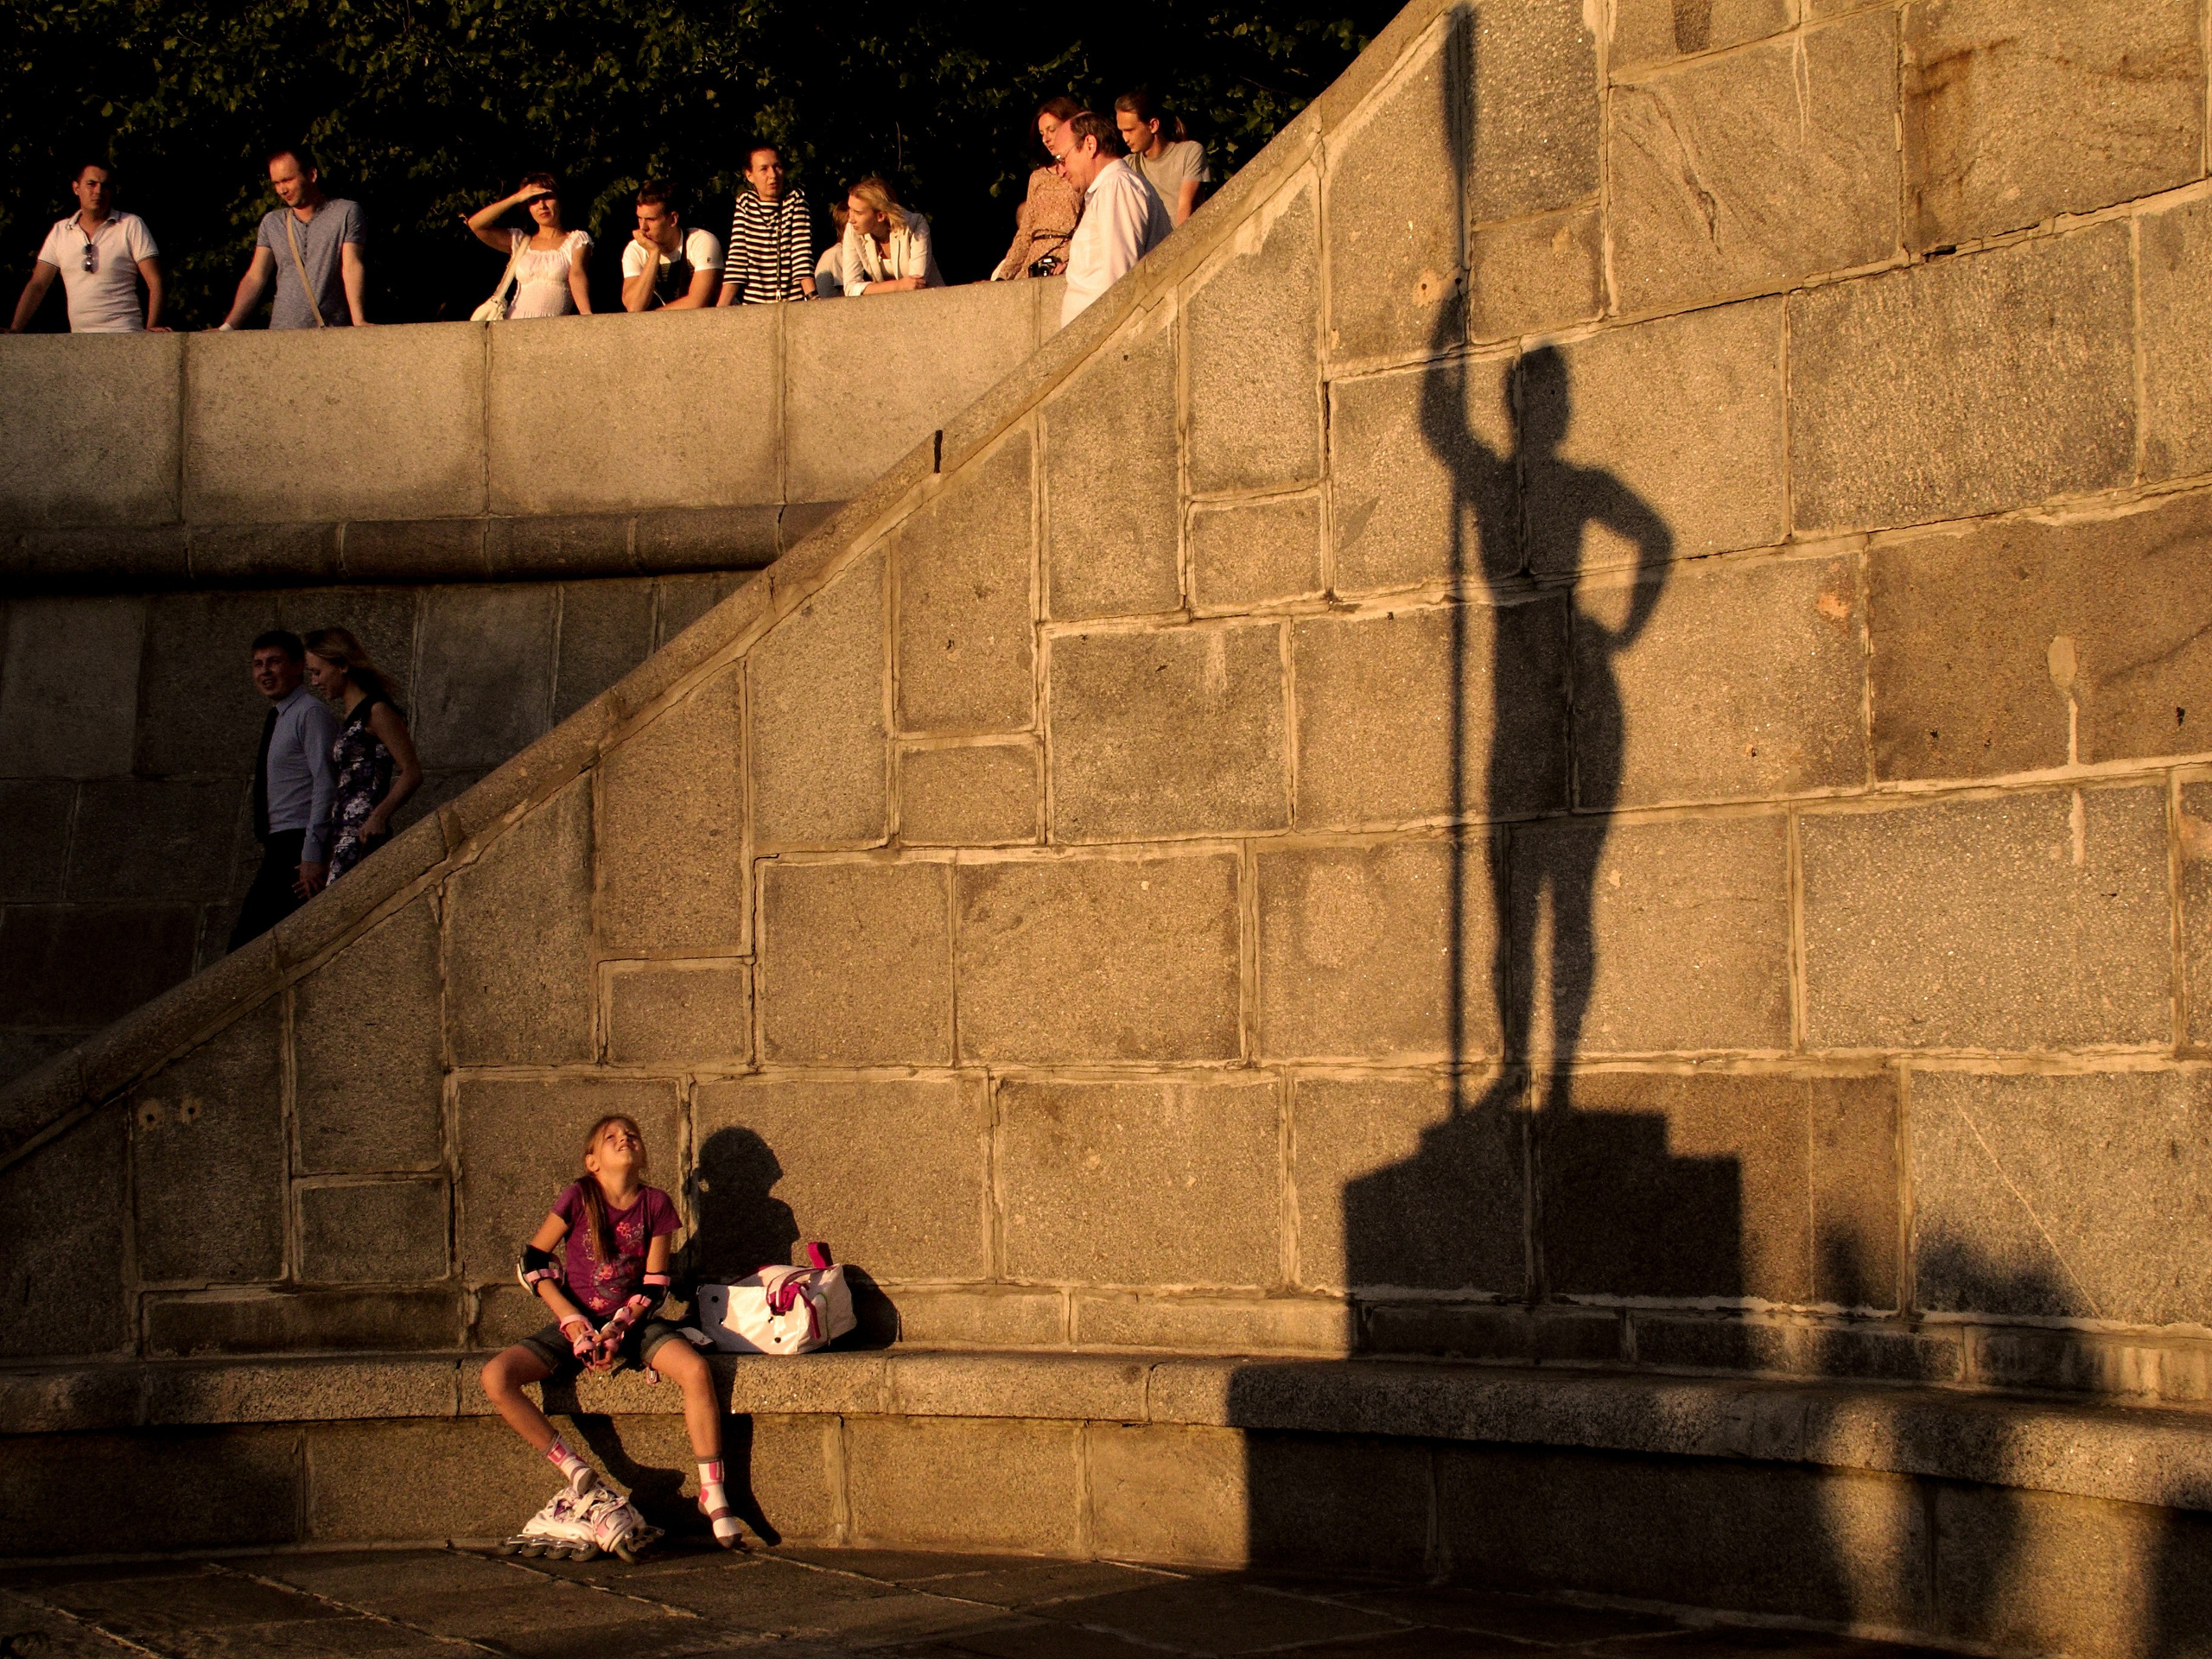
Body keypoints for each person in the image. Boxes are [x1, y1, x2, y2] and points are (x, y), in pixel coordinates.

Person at [480, 1116, 743, 1549]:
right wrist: (572, 1321)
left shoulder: (655, 1204)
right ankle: (573, 1468)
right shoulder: (579, 1198)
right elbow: (532, 1261)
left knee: (695, 1370)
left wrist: (620, 1326)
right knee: (496, 1377)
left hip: (633, 1324)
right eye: (611, 1137)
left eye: (632, 1135)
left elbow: (654, 1283)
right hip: (577, 1322)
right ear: (592, 1162)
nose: (624, 1139)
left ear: (642, 1155)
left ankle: (712, 1491)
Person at [228, 631, 339, 950]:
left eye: (274, 662)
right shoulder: (279, 718)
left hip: (297, 846)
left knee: (246, 947)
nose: (265, 672)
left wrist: (312, 853)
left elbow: (325, 783)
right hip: (279, 844)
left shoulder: (309, 713)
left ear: (298, 666)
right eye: (258, 664)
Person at [302, 628, 422, 881]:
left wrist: (379, 815)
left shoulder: (376, 711)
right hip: (343, 832)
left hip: (363, 832)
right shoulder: (350, 716)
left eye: (317, 672)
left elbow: (411, 771)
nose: (314, 681)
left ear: (343, 665)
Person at [218, 146, 369, 329]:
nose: (282, 190)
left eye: (288, 180)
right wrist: (228, 326)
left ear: (312, 175)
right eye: (276, 183)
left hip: (331, 332)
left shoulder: (346, 212)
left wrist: (358, 321)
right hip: (282, 332)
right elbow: (256, 276)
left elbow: (351, 265)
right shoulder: (272, 222)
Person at [9, 162, 166, 334]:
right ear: (76, 188)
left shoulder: (130, 225)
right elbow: (38, 285)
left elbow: (155, 281)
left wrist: (152, 330)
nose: (98, 191)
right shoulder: (61, 231)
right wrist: (15, 329)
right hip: (80, 341)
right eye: (91, 184)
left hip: (125, 333)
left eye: (105, 186)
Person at [1058, 111, 1173, 327]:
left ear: (1090, 144)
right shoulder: (1109, 189)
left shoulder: (1116, 187)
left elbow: (1121, 279)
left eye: (1063, 158)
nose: (1061, 170)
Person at [466, 173, 592, 318]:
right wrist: (516, 198)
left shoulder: (576, 239)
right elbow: (476, 225)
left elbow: (577, 274)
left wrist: (586, 315)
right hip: (514, 324)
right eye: (534, 200)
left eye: (547, 197)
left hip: (551, 328)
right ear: (528, 207)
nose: (542, 206)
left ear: (560, 201)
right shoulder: (520, 241)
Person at [989, 98, 1083, 282]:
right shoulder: (1038, 177)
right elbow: (1025, 232)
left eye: (1051, 130)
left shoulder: (1081, 172)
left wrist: (1072, 259)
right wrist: (1003, 275)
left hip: (1067, 257)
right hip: (1035, 259)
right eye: (1042, 133)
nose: (1046, 138)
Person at [716, 143, 815, 305]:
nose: (773, 175)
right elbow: (737, 258)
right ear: (749, 175)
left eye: (777, 167)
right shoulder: (746, 203)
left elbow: (801, 255)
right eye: (764, 169)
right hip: (753, 305)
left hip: (792, 302)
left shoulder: (796, 200)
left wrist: (812, 298)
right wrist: (720, 308)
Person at [1116, 91, 1210, 228]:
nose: (1125, 138)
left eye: (1130, 130)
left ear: (1153, 125)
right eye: (1122, 131)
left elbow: (1185, 207)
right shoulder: (1128, 166)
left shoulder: (1189, 153)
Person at [620, 183, 721, 311]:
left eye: (651, 219)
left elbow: (697, 302)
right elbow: (634, 306)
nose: (643, 228)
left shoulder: (701, 241)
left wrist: (652, 318)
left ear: (673, 219)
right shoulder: (635, 250)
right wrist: (654, 254)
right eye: (640, 218)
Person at [839, 176, 943, 296]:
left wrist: (872, 289)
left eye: (858, 213)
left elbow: (916, 283)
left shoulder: (916, 224)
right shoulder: (853, 230)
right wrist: (897, 286)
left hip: (930, 302)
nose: (851, 219)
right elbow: (851, 288)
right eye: (850, 209)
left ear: (880, 216)